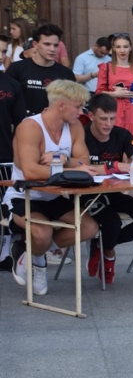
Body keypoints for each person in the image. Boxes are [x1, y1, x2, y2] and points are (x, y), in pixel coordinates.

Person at [1, 80, 100, 295]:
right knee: (42, 232)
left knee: (90, 228)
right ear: (61, 105)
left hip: (54, 195)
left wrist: (61, 158)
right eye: (78, 106)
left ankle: (33, 253)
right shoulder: (30, 126)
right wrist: (69, 168)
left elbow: (84, 161)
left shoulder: (73, 126)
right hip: (24, 194)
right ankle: (37, 258)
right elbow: (30, 171)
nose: (82, 111)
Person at [81, 94, 133, 283]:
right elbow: (83, 168)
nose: (108, 124)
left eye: (112, 118)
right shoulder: (81, 136)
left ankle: (103, 244)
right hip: (86, 194)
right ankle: (109, 254)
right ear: (91, 116)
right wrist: (115, 166)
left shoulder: (121, 134)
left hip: (112, 192)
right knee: (112, 222)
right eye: (103, 119)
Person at [5, 23, 77, 116]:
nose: (52, 49)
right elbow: (7, 100)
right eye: (47, 44)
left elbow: (72, 105)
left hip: (55, 126)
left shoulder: (66, 74)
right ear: (35, 44)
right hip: (23, 125)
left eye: (56, 45)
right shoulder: (17, 69)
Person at [95, 32, 133, 139]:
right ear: (113, 49)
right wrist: (115, 94)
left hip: (132, 112)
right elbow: (98, 93)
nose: (122, 50)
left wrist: (129, 94)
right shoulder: (106, 68)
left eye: (125, 47)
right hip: (111, 111)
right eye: (118, 47)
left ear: (130, 48)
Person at [0, 64, 26, 162]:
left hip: (4, 152)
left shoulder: (12, 84)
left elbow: (19, 122)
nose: (0, 56)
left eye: (4, 52)